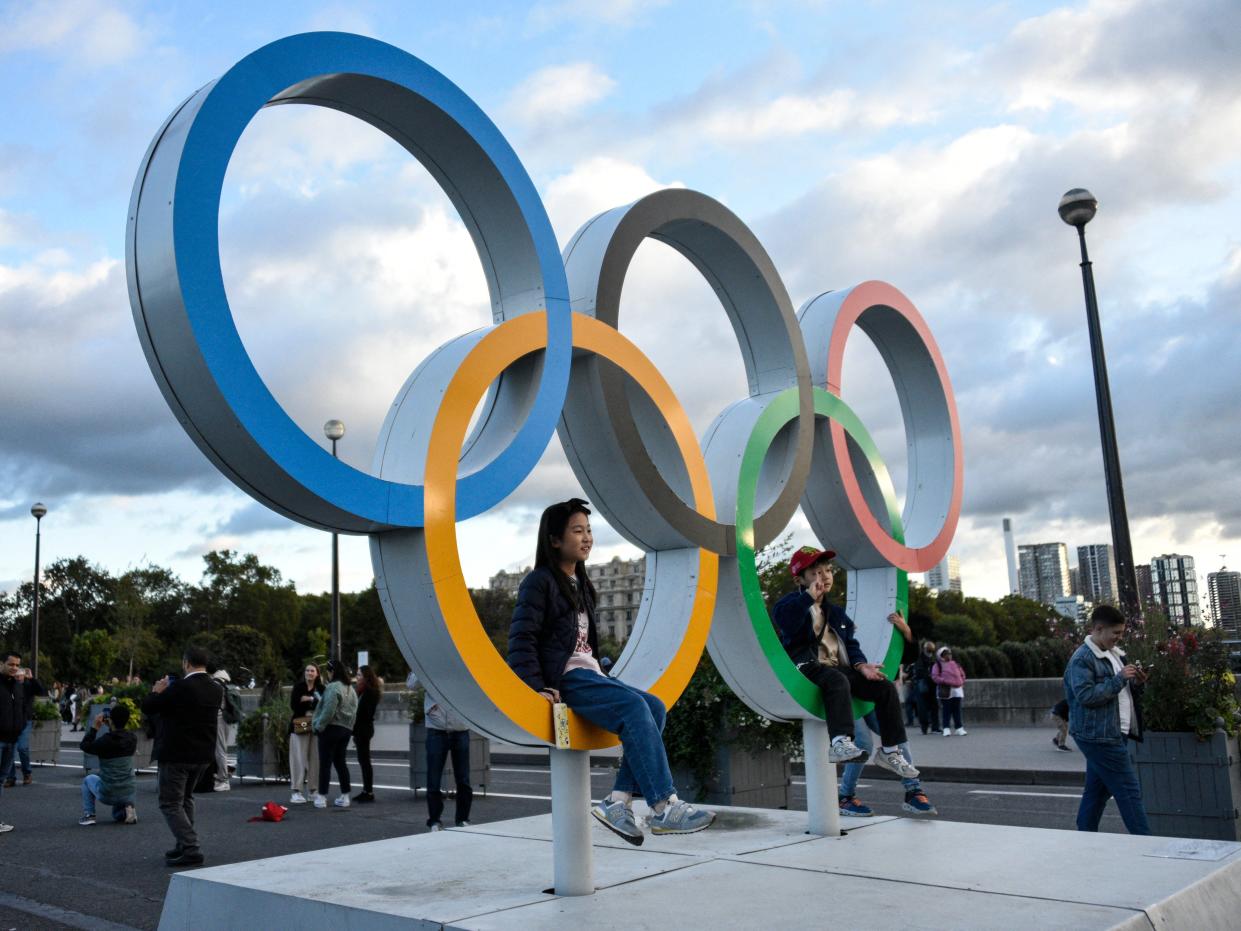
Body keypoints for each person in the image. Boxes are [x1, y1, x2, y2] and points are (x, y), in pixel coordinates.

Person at [508, 498, 716, 846]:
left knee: (654, 706)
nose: (587, 537)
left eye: (589, 530)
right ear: (555, 540)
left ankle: (618, 801)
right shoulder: (539, 582)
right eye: (577, 530)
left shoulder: (583, 584)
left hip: (591, 674)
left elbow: (587, 645)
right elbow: (522, 637)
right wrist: (537, 686)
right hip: (567, 677)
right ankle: (663, 805)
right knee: (634, 709)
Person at [772, 547, 919, 778]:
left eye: (828, 571)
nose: (825, 577)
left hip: (835, 669)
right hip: (806, 666)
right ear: (799, 579)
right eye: (816, 573)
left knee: (885, 687)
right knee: (837, 679)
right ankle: (840, 742)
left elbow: (851, 644)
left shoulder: (836, 613)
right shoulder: (789, 604)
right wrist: (807, 598)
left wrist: (862, 665)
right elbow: (786, 623)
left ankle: (890, 752)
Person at [837, 607, 936, 817]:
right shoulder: (835, 628)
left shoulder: (877, 630)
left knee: (896, 736)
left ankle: (913, 791)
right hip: (844, 694)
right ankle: (845, 796)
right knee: (864, 742)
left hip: (869, 692)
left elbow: (906, 657)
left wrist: (907, 632)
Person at [1065, 604, 1151, 835]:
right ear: (1099, 629)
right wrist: (1119, 679)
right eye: (1116, 633)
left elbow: (1121, 693)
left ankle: (1085, 836)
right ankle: (1146, 842)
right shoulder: (1082, 659)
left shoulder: (1115, 654)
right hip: (1099, 735)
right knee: (1128, 791)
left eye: (1121, 633)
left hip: (1113, 731)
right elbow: (1086, 696)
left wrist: (1136, 682)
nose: (1119, 637)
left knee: (1097, 792)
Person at [141, 645, 224, 867]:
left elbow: (149, 707)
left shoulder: (181, 688)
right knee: (186, 798)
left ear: (186, 663)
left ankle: (190, 846)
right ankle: (182, 843)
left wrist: (157, 690)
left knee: (169, 802)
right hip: (203, 754)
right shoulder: (216, 688)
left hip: (177, 753)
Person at [78, 704, 138, 826]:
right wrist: (112, 725)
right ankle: (128, 809)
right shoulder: (132, 738)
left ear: (110, 720)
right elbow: (119, 737)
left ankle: (90, 815)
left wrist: (95, 727)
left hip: (109, 792)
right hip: (128, 792)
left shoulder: (105, 741)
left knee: (88, 780)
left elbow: (85, 745)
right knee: (116, 815)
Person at [424, 687, 473, 830]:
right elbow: (411, 684)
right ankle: (434, 820)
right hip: (436, 728)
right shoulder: (430, 664)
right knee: (433, 779)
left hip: (460, 728)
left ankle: (463, 819)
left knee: (463, 778)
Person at [312, 659, 357, 809]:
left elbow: (329, 709)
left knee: (325, 763)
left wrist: (319, 726)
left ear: (332, 672)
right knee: (340, 762)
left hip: (331, 728)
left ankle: (322, 796)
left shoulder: (332, 687)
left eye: (329, 672)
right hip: (346, 729)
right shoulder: (351, 689)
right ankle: (345, 796)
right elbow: (354, 711)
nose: (328, 675)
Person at [288, 663, 324, 804]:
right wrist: (312, 699)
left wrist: (307, 699)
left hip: (316, 723)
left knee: (315, 758)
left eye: (312, 670)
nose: (309, 672)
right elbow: (294, 705)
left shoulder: (321, 688)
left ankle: (313, 790)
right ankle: (296, 791)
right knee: (298, 757)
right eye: (307, 670)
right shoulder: (298, 687)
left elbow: (323, 705)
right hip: (300, 722)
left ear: (317, 674)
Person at [4, 667, 46, 787]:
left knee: (22, 748)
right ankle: (10, 777)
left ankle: (27, 773)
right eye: (15, 677)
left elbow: (41, 690)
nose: (17, 679)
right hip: (10, 722)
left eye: (19, 676)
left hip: (25, 721)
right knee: (9, 750)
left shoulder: (28, 686)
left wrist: (32, 679)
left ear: (24, 676)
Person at [352, 665, 381, 803]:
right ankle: (366, 790)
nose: (357, 677)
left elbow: (366, 712)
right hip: (361, 729)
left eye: (359, 675)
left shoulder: (370, 692)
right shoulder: (362, 691)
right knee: (363, 760)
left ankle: (368, 791)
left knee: (364, 760)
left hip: (364, 729)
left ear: (366, 676)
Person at [210, 668, 242, 792]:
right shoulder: (227, 686)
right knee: (221, 749)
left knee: (220, 750)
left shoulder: (217, 686)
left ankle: (223, 779)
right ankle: (223, 775)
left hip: (218, 720)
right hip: (225, 720)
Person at [932, 646, 968, 736]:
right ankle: (946, 728)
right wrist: (945, 681)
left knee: (957, 709)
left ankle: (959, 727)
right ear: (941, 655)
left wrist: (961, 681)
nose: (948, 656)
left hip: (957, 690)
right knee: (946, 709)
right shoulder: (938, 665)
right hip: (946, 690)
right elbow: (935, 677)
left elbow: (962, 674)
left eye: (949, 654)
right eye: (946, 654)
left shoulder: (955, 664)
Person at [912, 640, 940, 735]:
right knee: (923, 708)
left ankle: (934, 727)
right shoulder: (921, 659)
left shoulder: (932, 659)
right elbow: (919, 672)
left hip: (930, 685)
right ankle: (926, 727)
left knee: (933, 707)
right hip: (924, 685)